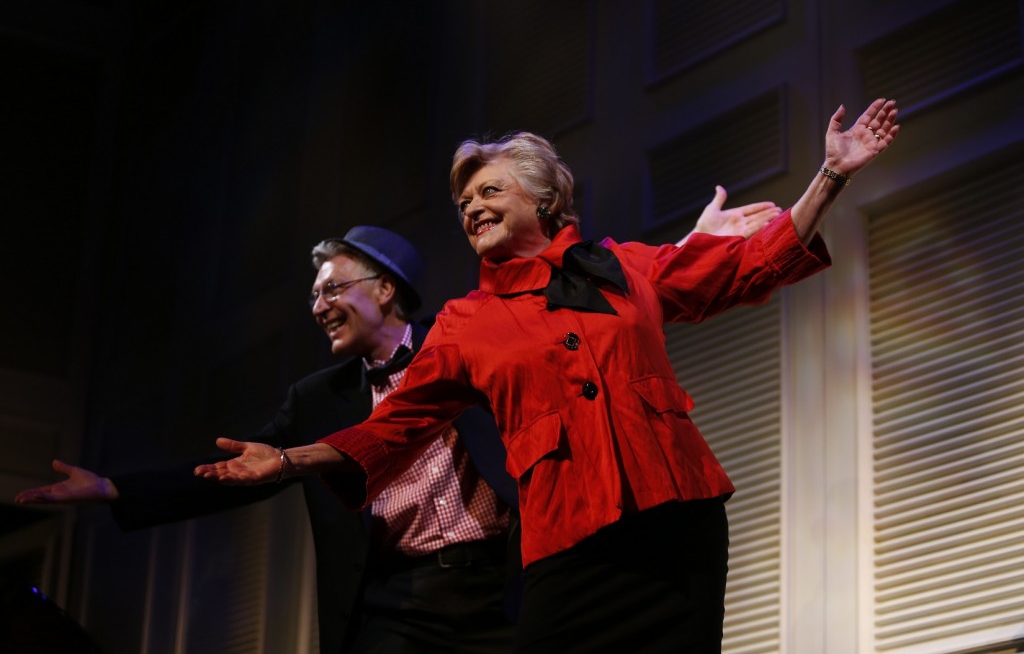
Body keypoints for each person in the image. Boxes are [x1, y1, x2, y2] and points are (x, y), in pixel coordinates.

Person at [194, 98, 899, 652]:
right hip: (570, 544)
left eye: (488, 189)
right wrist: (287, 461)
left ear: (542, 200)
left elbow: (744, 264)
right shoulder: (466, 322)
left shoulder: (619, 267)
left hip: (678, 524)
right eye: (463, 202)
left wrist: (832, 174)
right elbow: (395, 427)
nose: (470, 206)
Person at [16, 198, 773, 652]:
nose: (317, 305)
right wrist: (117, 488)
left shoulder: (478, 333)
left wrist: (693, 243)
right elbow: (239, 474)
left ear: (385, 290)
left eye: (331, 288)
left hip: (493, 588)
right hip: (390, 604)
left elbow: (592, 289)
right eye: (313, 294)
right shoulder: (317, 398)